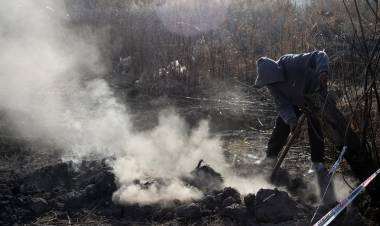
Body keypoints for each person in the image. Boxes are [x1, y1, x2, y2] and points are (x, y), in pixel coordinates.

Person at [255, 50, 336, 204]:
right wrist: (292, 122)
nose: (272, 85)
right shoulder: (272, 86)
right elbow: (283, 105)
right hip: (295, 101)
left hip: (314, 93)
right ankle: (270, 158)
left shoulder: (291, 62)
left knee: (315, 127)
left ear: (277, 72)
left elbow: (319, 55)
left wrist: (323, 71)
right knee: (281, 126)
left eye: (273, 81)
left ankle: (317, 164)